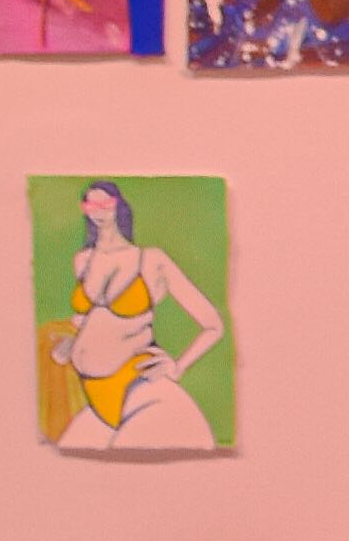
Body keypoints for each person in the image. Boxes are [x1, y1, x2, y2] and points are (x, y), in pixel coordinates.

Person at [48, 182, 229, 455]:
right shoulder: (82, 260)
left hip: (144, 393)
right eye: (90, 205)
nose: (98, 212)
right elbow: (94, 321)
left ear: (119, 206)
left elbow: (213, 325)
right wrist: (71, 344)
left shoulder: (151, 260)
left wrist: (177, 367)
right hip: (99, 401)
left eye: (105, 204)